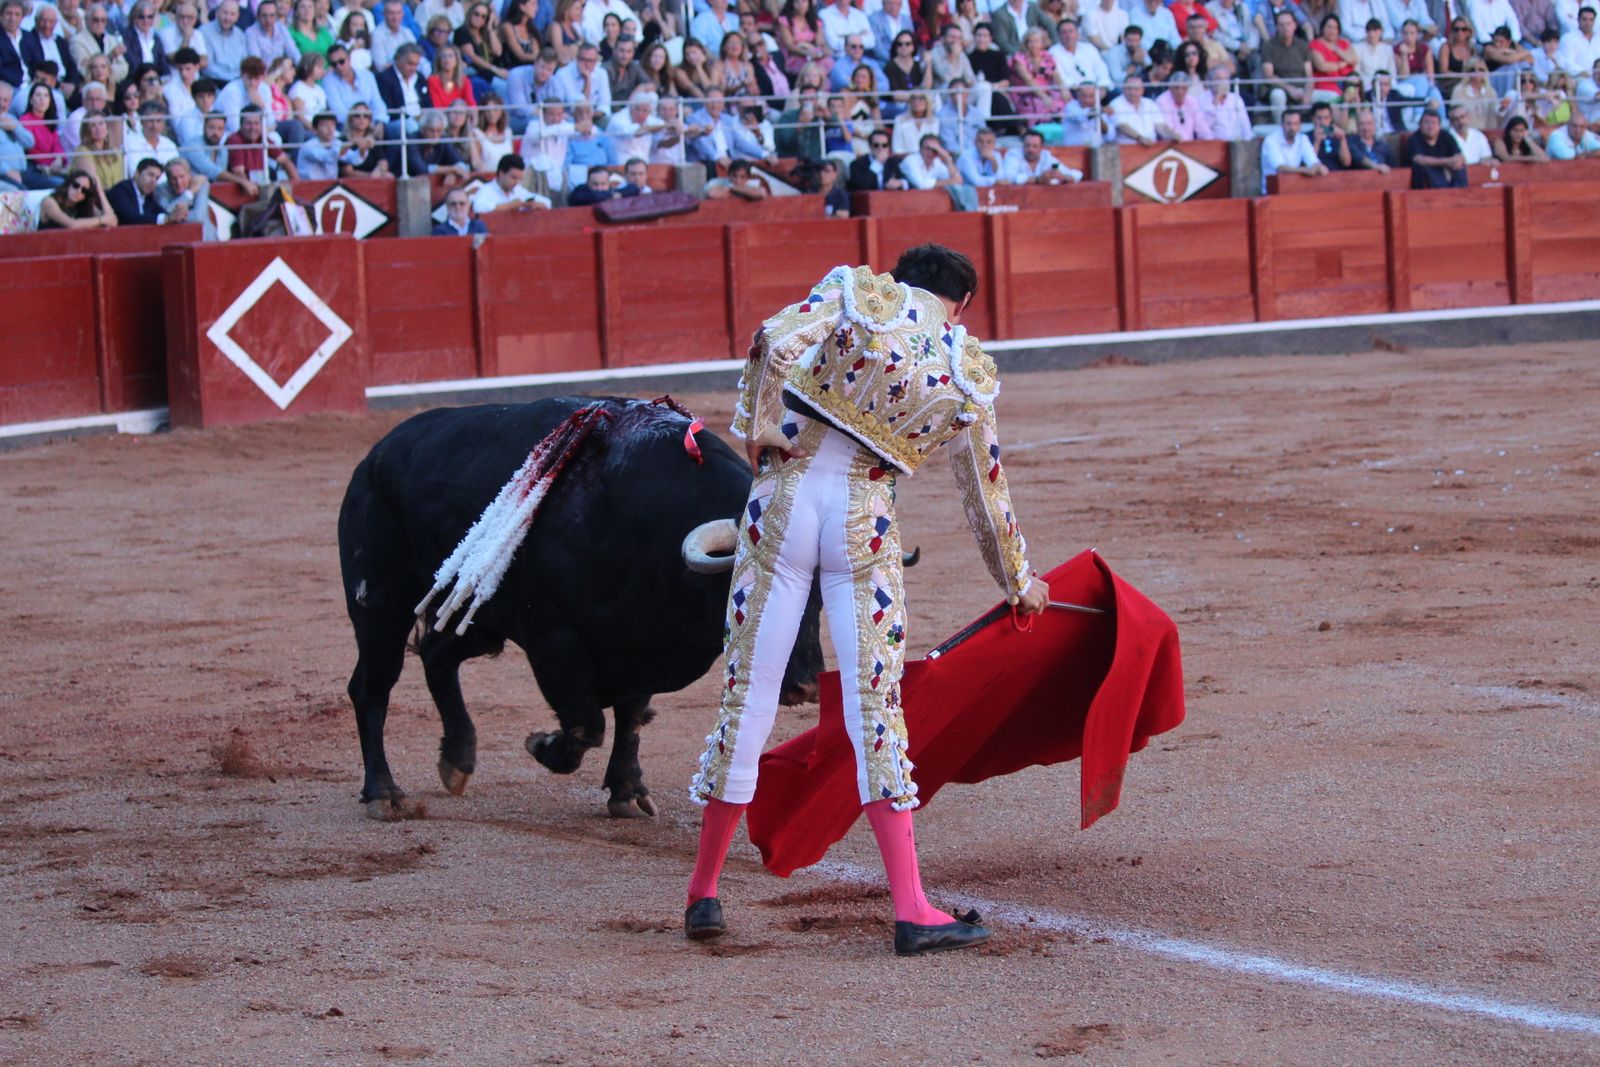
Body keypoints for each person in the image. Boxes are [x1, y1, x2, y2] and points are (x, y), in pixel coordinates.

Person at [684, 244, 1046, 955]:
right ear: (963, 303)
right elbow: (986, 493)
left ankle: (703, 894)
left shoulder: (858, 293)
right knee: (873, 708)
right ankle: (911, 907)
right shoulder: (966, 370)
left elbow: (773, 340)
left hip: (781, 504)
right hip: (863, 519)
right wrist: (1020, 583)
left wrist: (759, 428)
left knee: (748, 697)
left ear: (900, 275)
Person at [1262, 9, 1314, 122]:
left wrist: (1308, 93)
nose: (1285, 27)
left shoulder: (1303, 46)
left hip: (1302, 88)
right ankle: (1281, 129)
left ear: (1295, 25)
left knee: (1330, 97)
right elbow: (1269, 75)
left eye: (1288, 24)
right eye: (1281, 24)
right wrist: (1290, 89)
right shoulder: (1268, 46)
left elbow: (1309, 75)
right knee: (1277, 96)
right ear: (1277, 27)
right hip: (1280, 88)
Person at [1261, 107, 1328, 190]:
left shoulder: (1303, 139)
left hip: (1294, 188)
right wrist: (1305, 170)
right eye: (1289, 124)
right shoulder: (1271, 141)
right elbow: (1281, 168)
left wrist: (1318, 167)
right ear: (1282, 125)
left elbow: (1313, 161)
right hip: (1272, 191)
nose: (1292, 128)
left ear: (1300, 126)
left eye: (1295, 124)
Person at [1407, 107, 1469, 183]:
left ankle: (1460, 194)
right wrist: (1447, 162)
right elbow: (1419, 159)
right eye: (1426, 122)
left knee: (1460, 169)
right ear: (1420, 125)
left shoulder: (1446, 136)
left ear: (1439, 126)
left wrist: (1458, 161)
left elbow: (1459, 155)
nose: (1430, 126)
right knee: (1428, 171)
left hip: (1446, 170)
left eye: (1433, 123)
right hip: (1426, 174)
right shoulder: (1414, 139)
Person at [37, 166, 116, 225]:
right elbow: (72, 224)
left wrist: (99, 189)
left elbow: (112, 221)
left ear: (85, 196)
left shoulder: (82, 205)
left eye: (84, 190)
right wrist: (101, 220)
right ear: (68, 185)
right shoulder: (49, 202)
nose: (78, 191)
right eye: (76, 185)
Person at [475, 152, 552, 210]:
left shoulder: (518, 190)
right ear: (501, 173)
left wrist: (536, 204)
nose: (516, 182)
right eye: (513, 177)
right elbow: (479, 207)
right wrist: (510, 206)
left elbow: (547, 202)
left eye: (519, 179)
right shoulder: (486, 190)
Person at [1005, 125, 1082, 181]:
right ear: (1022, 145)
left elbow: (1077, 174)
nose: (1030, 149)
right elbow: (1008, 178)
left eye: (1035, 146)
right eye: (1027, 145)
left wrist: (1063, 177)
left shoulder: (1046, 157)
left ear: (1041, 147)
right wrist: (1038, 179)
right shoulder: (1014, 155)